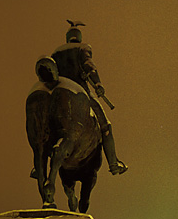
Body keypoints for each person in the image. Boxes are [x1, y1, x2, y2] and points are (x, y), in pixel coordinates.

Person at [51, 21, 127, 175]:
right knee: (105, 126)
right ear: (78, 37)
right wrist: (98, 83)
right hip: (80, 91)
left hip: (59, 92)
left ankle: (38, 165)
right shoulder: (83, 48)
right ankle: (113, 163)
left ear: (67, 38)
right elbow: (89, 65)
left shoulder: (56, 53)